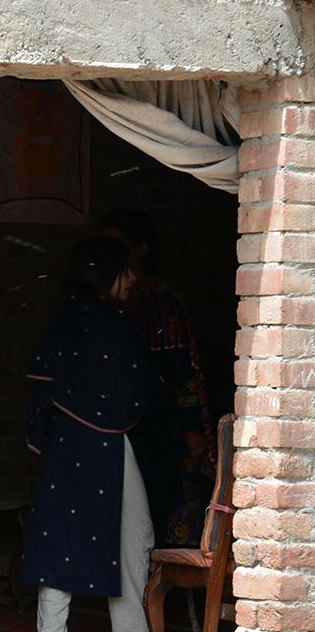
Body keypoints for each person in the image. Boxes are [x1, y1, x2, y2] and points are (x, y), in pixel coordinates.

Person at [22, 237, 157, 632]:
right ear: (105, 275)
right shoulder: (116, 328)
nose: (132, 278)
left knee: (60, 540)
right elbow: (135, 392)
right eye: (124, 269)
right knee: (133, 539)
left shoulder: (62, 324)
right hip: (105, 444)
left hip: (65, 447)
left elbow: (42, 395)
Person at [104, 208, 214, 547]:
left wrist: (193, 433)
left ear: (142, 249)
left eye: (118, 245)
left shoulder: (156, 299)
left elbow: (178, 369)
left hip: (163, 427)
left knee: (157, 518)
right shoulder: (120, 303)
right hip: (136, 424)